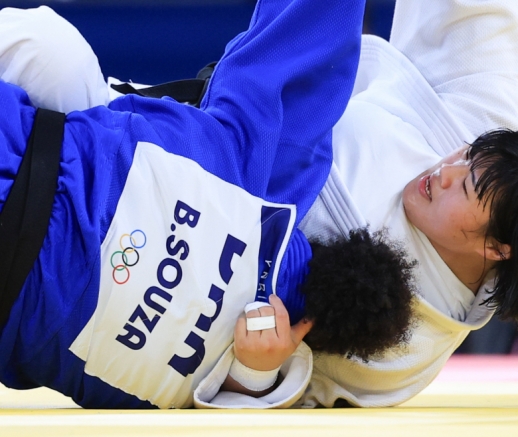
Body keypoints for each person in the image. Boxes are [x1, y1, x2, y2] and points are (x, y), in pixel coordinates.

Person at [1, 0, 518, 409]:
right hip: (160, 145)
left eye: (467, 186)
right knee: (45, 48)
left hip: (141, 263)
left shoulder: (405, 349)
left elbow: (279, 398)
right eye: (466, 157)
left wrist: (257, 374)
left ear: (495, 249)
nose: (445, 168)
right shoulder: (488, 125)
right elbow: (475, 10)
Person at [0, 0, 419, 410]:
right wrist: (253, 378)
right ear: (312, 335)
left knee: (45, 48)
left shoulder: (260, 177)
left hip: (21, 151)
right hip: (12, 302)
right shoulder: (203, 387)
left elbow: (307, 41)